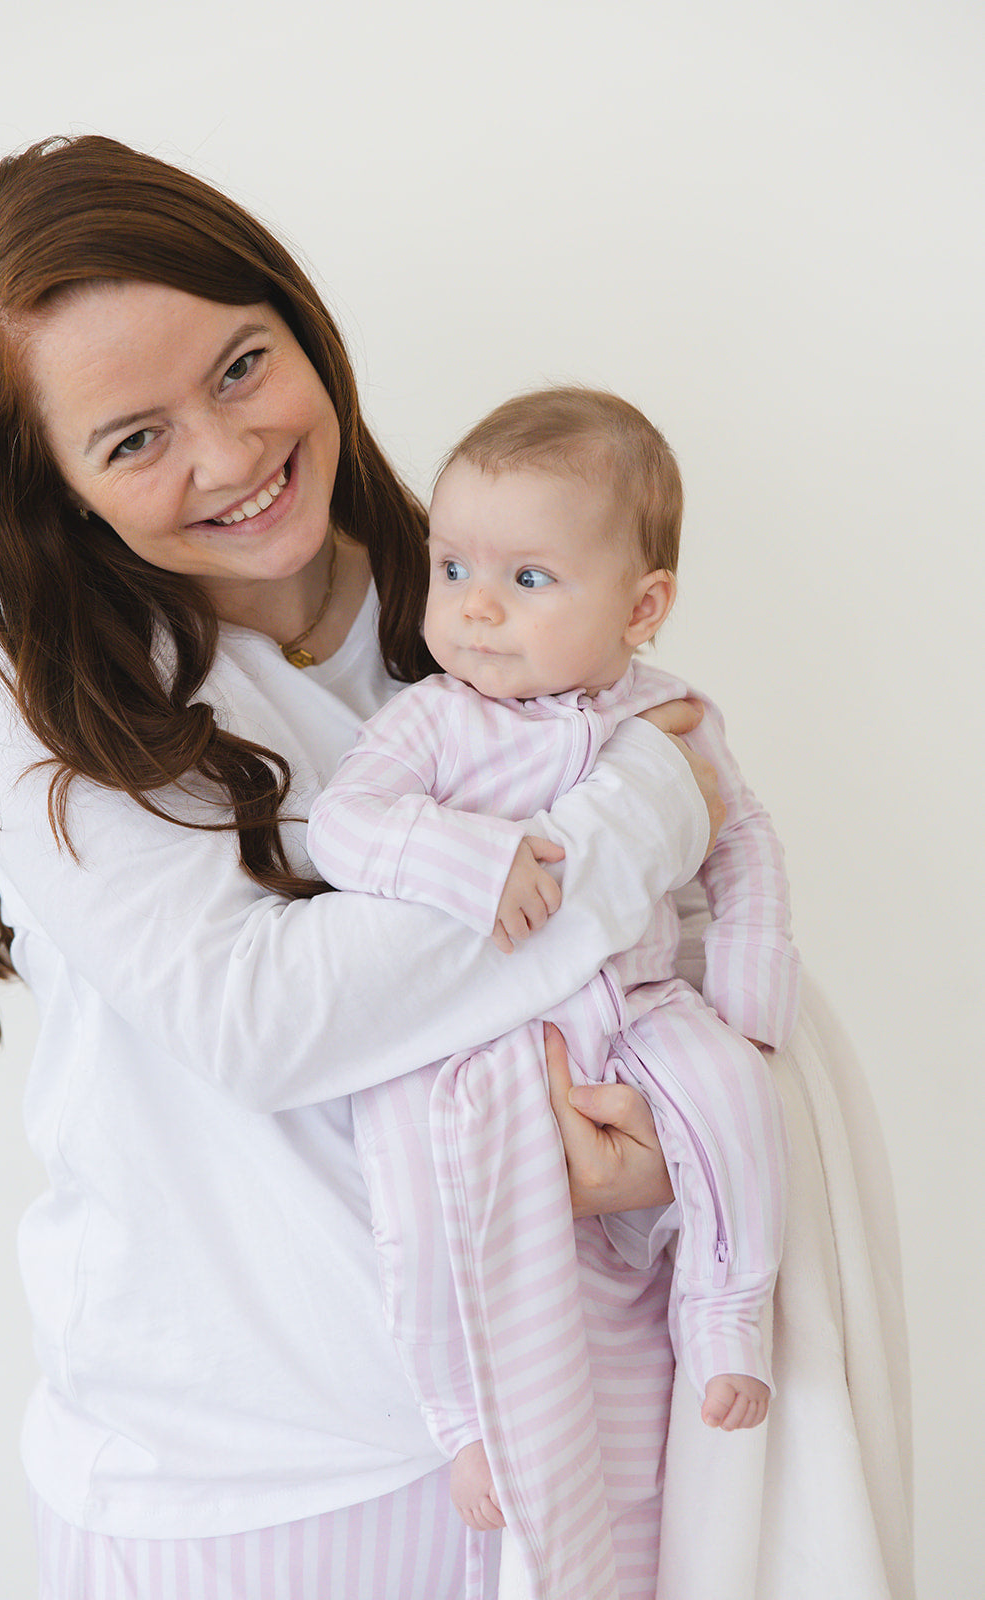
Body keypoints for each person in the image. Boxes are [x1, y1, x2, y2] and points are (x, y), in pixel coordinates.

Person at [0, 136, 722, 1600]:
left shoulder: (471, 598)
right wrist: (644, 812)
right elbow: (263, 1018)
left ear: (298, 322)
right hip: (240, 1484)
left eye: (238, 367)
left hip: (536, 1401)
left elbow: (646, 979)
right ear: (56, 487)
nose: (227, 456)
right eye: (132, 438)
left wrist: (662, 1157)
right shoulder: (47, 681)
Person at [307, 387, 797, 1597]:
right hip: (466, 1046)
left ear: (640, 607)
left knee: (738, 1094)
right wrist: (470, 861)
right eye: (455, 565)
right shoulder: (434, 721)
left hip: (630, 1012)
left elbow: (741, 850)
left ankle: (727, 1303)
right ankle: (459, 1411)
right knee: (417, 1203)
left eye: (527, 578)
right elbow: (342, 827)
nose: (472, 605)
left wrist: (742, 1005)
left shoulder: (666, 714)